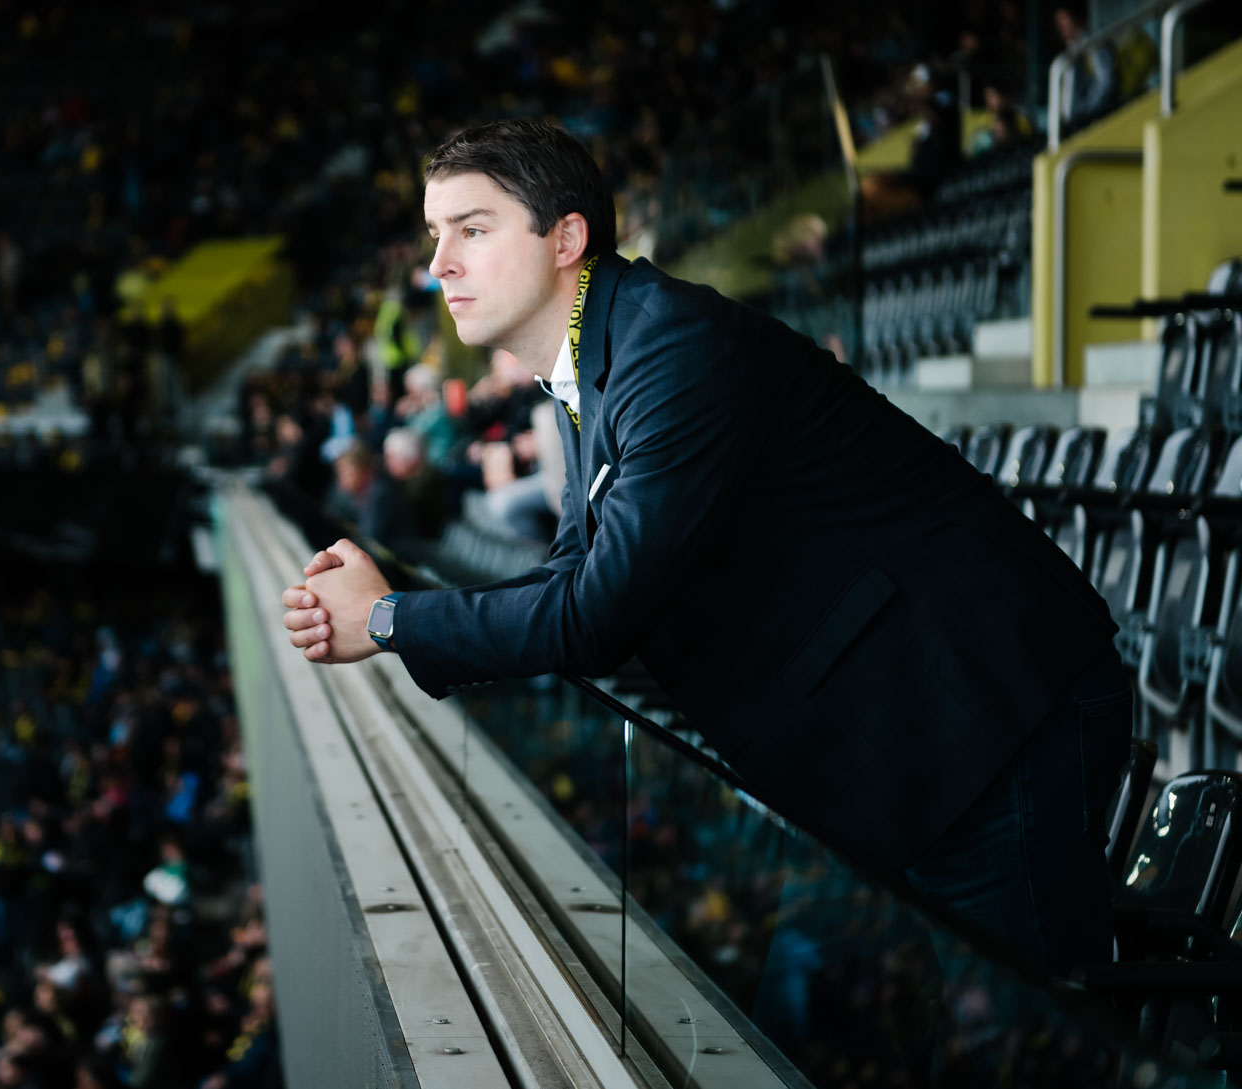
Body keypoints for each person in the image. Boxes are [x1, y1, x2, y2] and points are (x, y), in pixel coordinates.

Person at [278, 119, 1130, 978]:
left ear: (566, 236)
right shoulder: (598, 365)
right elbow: (571, 576)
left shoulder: (671, 349)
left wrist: (390, 618)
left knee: (1025, 1049)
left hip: (985, 713)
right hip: (907, 741)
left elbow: (595, 612)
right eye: (435, 236)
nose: (440, 265)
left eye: (472, 228)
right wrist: (399, 617)